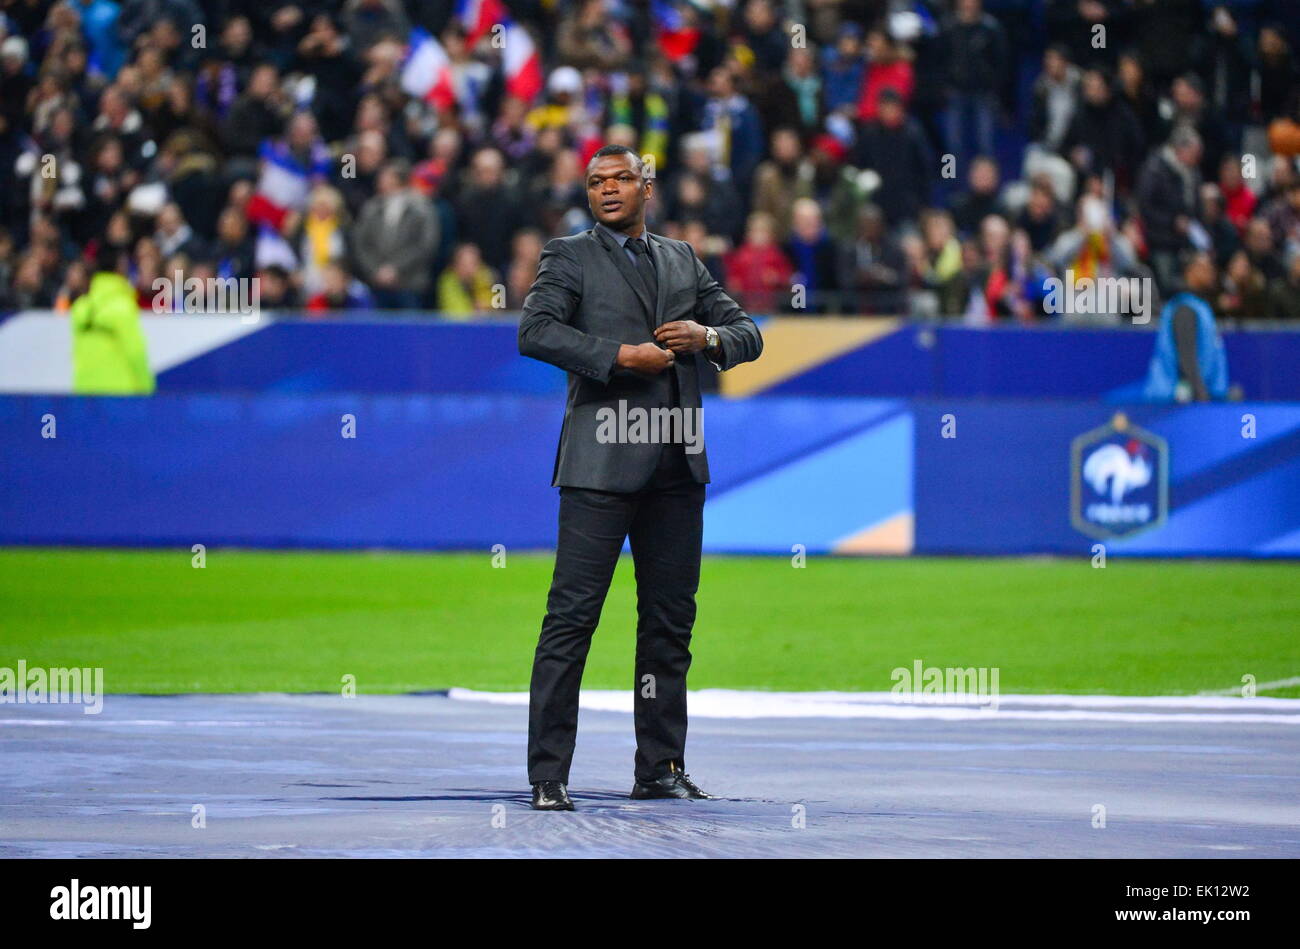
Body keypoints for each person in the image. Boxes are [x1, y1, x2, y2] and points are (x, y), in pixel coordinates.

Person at [517, 144, 763, 811]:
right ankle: (548, 774)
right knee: (571, 620)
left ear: (646, 185)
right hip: (600, 463)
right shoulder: (569, 255)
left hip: (677, 466)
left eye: (620, 178)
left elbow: (748, 333)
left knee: (668, 623)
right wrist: (617, 356)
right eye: (595, 182)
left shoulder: (683, 258)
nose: (606, 190)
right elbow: (534, 331)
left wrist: (706, 339)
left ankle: (659, 767)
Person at [70, 243, 155, 395]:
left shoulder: (80, 307)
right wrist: (147, 389)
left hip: (84, 393)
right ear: (120, 267)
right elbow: (136, 352)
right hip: (120, 395)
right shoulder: (122, 307)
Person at [1144, 252, 1228, 402]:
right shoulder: (1185, 308)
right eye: (1205, 268)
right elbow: (1186, 357)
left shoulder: (1199, 306)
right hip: (1177, 402)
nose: (1211, 273)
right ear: (1190, 271)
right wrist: (1201, 394)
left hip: (1197, 395)